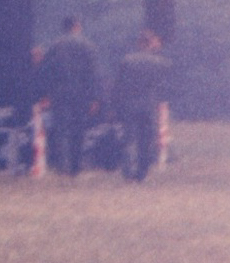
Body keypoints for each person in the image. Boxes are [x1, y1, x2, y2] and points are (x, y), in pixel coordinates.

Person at [35, 14, 102, 178]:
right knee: (78, 130)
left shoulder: (54, 46)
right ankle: (75, 167)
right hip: (82, 96)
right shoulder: (88, 46)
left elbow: (46, 72)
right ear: (77, 26)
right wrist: (94, 98)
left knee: (62, 130)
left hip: (59, 95)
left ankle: (63, 167)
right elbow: (94, 74)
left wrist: (44, 94)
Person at [111, 30, 172, 179]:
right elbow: (165, 82)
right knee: (146, 140)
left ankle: (127, 171)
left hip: (129, 105)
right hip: (148, 106)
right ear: (150, 44)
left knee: (129, 139)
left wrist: (115, 104)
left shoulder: (127, 61)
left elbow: (118, 85)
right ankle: (141, 173)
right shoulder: (159, 62)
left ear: (139, 43)